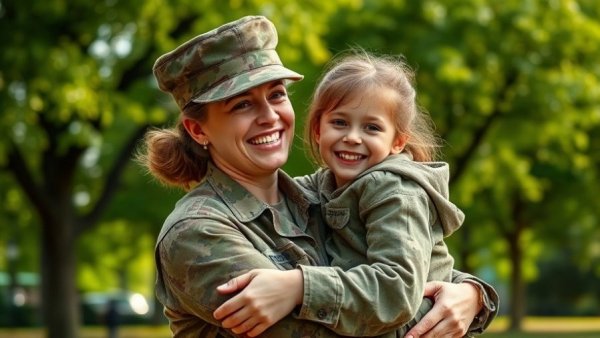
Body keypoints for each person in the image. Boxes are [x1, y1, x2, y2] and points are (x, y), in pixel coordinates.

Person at [138, 15, 498, 338]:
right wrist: (443, 304)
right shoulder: (196, 234)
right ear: (197, 130)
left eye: (276, 95)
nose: (270, 116)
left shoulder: (324, 194)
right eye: (242, 104)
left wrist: (469, 294)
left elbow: (403, 259)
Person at [213, 51, 496, 337]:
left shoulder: (395, 191)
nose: (352, 137)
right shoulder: (327, 183)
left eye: (372, 127)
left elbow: (396, 289)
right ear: (317, 129)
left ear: (397, 141)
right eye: (339, 122)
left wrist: (300, 286)